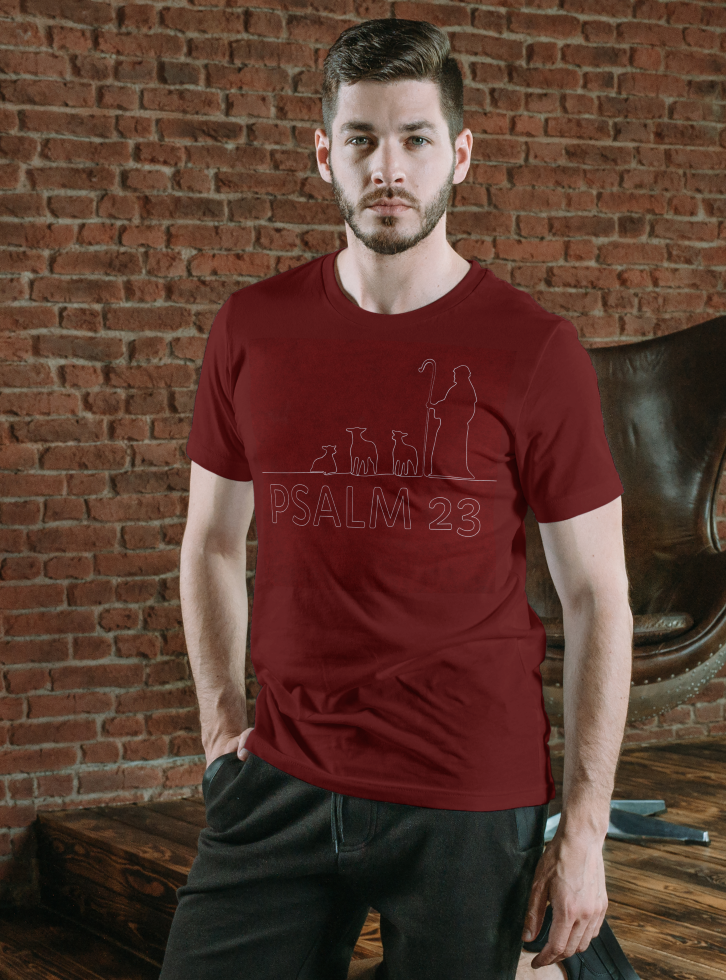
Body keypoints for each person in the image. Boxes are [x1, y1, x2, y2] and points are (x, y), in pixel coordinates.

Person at [165, 17, 636, 980]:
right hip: (283, 781)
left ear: (459, 155)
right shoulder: (251, 329)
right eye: (362, 139)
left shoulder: (534, 349)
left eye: (416, 139)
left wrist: (583, 832)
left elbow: (598, 598)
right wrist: (222, 737)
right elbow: (212, 542)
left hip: (467, 787)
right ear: (323, 153)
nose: (390, 167)